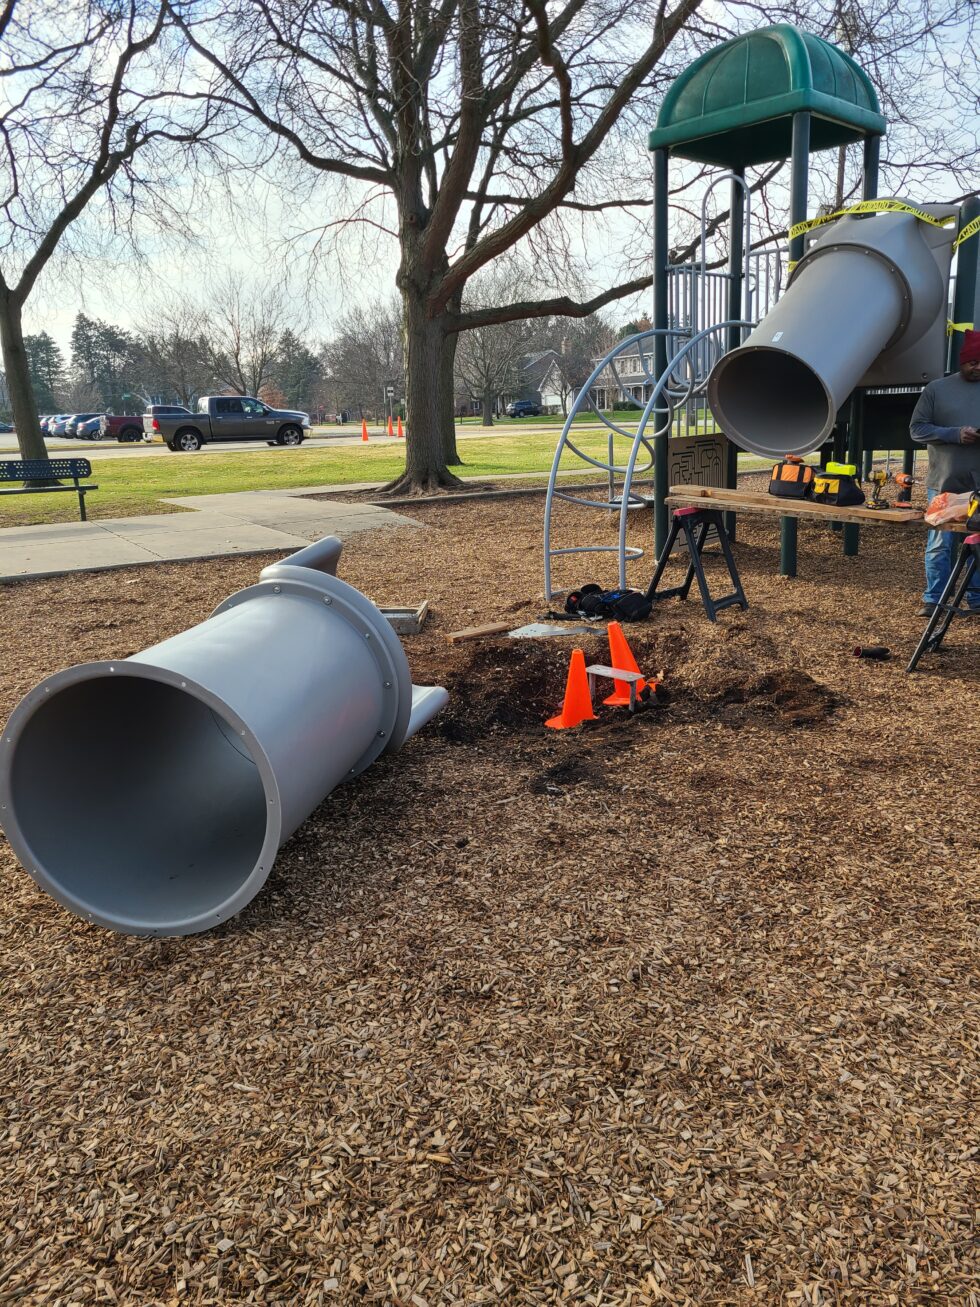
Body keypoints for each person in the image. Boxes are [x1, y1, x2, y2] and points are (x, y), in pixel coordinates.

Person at [909, 328, 980, 616]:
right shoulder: (937, 389)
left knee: (977, 544)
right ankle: (934, 599)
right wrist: (954, 434)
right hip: (944, 483)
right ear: (962, 361)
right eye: (973, 362)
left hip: (978, 484)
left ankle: (976, 600)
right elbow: (917, 429)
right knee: (940, 542)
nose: (978, 368)